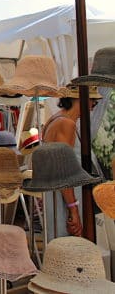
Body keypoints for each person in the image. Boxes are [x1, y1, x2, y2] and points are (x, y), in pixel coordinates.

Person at [42, 85, 101, 238]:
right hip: (64, 196)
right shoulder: (66, 124)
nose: (94, 105)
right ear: (80, 98)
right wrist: (73, 208)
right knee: (66, 246)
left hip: (59, 193)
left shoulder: (57, 119)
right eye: (93, 100)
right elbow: (63, 170)